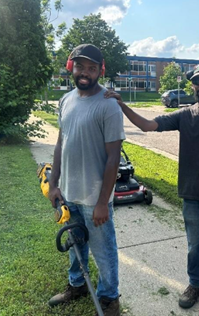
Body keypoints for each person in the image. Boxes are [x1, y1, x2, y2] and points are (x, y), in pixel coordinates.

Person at [105, 63, 199, 316]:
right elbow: (148, 125)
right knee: (193, 246)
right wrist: (122, 105)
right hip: (191, 193)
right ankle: (195, 285)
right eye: (197, 81)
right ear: (192, 86)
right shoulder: (185, 115)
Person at [48, 44, 125, 316]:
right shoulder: (66, 100)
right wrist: (54, 183)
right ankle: (77, 284)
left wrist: (104, 202)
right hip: (69, 192)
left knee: (103, 251)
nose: (85, 73)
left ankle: (108, 298)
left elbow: (114, 158)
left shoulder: (109, 104)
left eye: (92, 68)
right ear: (71, 67)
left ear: (100, 70)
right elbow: (61, 143)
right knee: (74, 244)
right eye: (80, 66)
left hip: (95, 198)